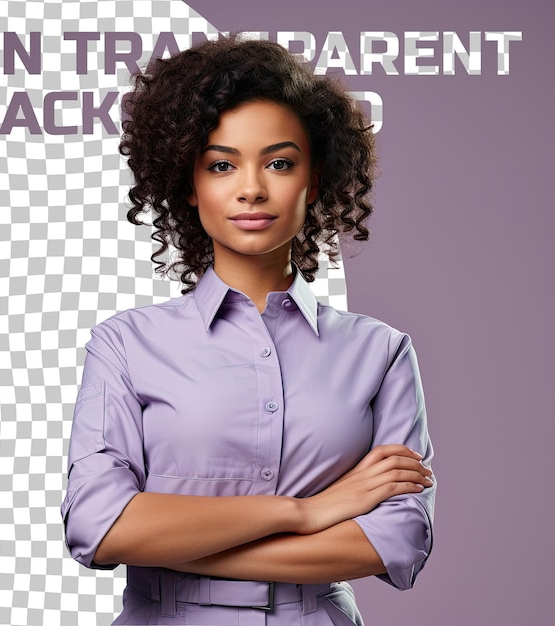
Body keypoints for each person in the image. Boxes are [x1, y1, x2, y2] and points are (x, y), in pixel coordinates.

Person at [61, 37, 435, 625]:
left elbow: (398, 539)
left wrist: (180, 546)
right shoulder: (126, 345)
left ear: (317, 178)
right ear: (189, 182)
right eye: (221, 164)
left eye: (280, 162)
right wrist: (305, 513)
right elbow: (97, 526)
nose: (252, 188)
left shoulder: (380, 353)